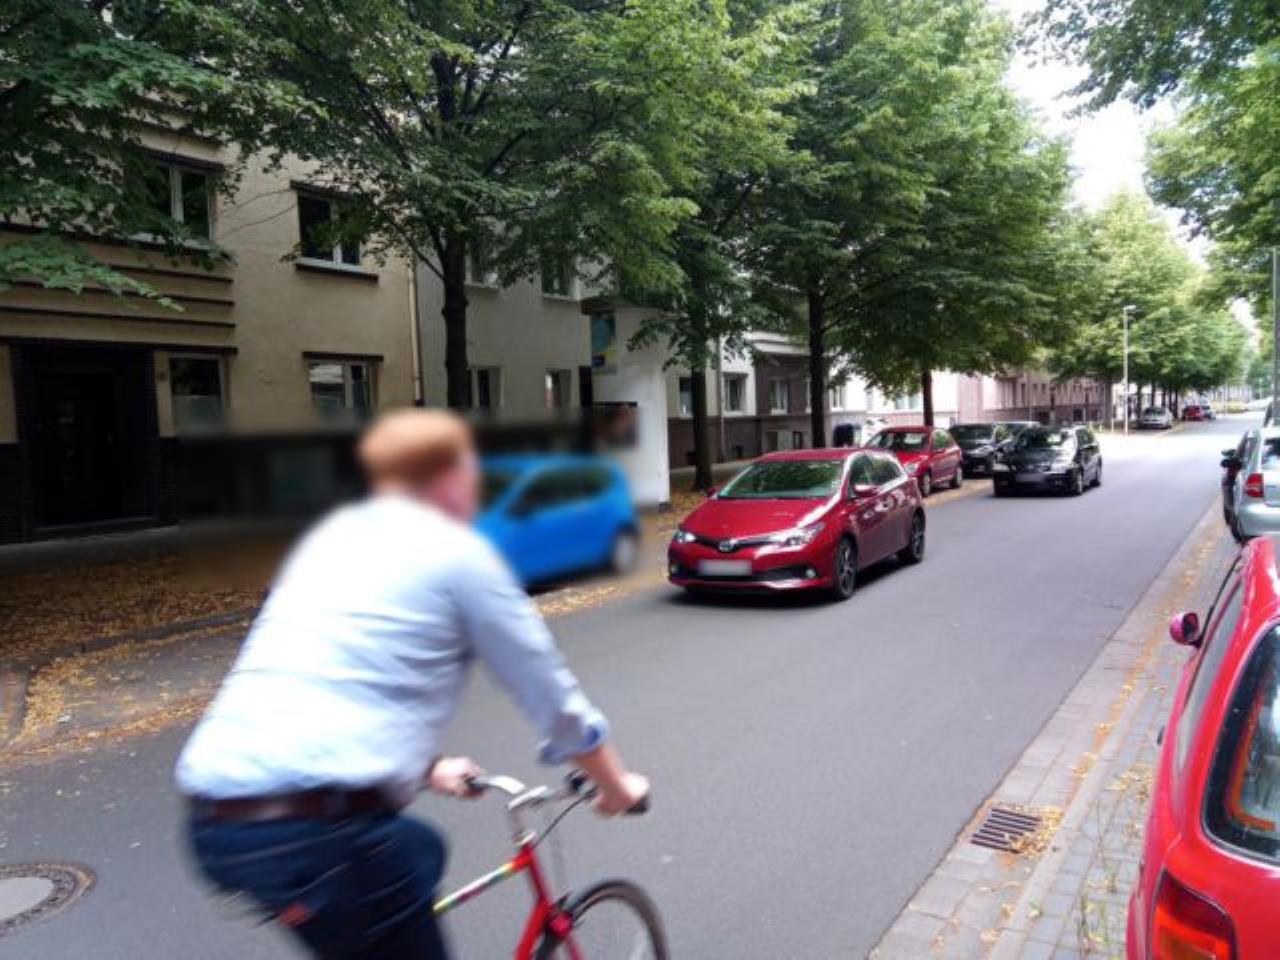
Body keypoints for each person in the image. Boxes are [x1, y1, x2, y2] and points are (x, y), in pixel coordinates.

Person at [176, 408, 648, 959]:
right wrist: (616, 786)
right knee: (397, 864)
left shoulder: (327, 548)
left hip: (215, 826)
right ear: (451, 478)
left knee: (417, 852)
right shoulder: (463, 559)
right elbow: (554, 698)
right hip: (313, 835)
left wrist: (426, 768)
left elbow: (330, 685)